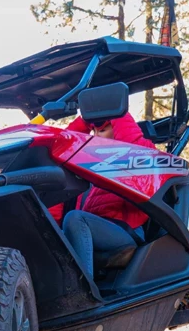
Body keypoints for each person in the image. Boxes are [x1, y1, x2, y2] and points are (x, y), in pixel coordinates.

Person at [52, 112, 158, 277]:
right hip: (93, 231)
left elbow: (133, 141)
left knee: (75, 218)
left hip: (125, 233)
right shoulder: (90, 168)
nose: (94, 136)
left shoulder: (138, 155)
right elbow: (58, 148)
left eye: (101, 130)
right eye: (92, 131)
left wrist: (112, 110)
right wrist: (83, 120)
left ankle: (83, 293)